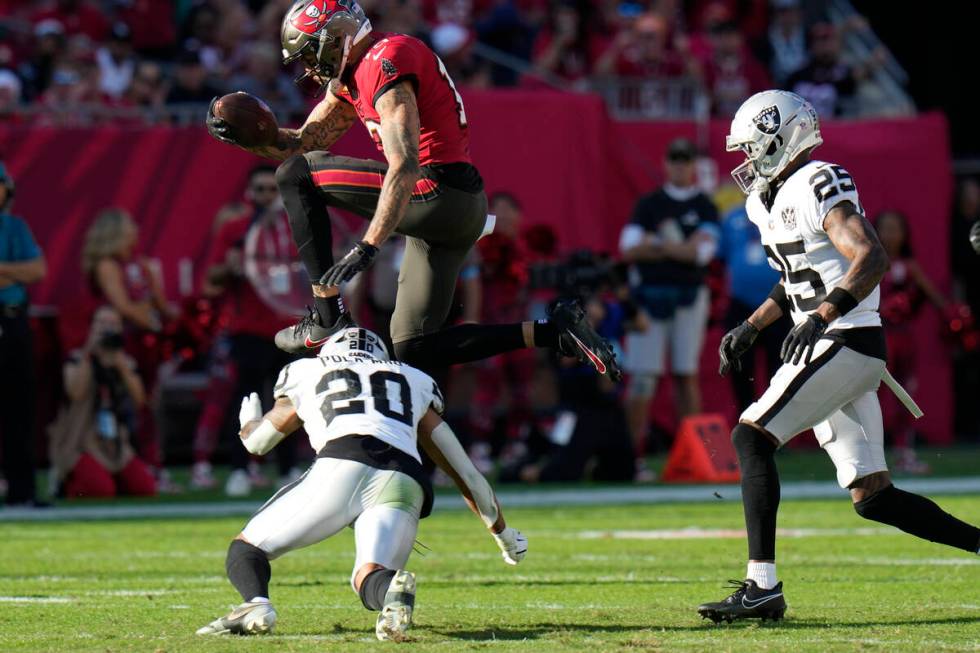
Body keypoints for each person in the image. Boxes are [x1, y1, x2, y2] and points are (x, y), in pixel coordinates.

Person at [206, 0, 619, 382]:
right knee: (413, 347)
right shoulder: (356, 74)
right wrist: (242, 137)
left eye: (313, 53)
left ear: (337, 38)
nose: (310, 69)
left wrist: (367, 247)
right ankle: (555, 331)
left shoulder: (386, 58)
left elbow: (404, 164)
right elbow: (298, 143)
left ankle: (326, 312)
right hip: (455, 208)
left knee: (297, 175)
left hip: (438, 192)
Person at [700, 90, 980, 623]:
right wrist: (752, 325)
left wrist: (822, 316)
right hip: (833, 339)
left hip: (846, 338)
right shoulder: (765, 200)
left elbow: (870, 255)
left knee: (749, 435)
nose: (745, 161)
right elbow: (795, 278)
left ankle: (762, 586)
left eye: (753, 148)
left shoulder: (817, 181)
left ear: (781, 140)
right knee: (873, 495)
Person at [196, 327, 527, 640]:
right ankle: (391, 593)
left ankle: (256, 603)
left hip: (341, 466)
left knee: (247, 548)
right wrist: (503, 534)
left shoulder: (307, 371)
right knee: (369, 575)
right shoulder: (411, 379)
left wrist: (249, 423)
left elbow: (258, 444)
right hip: (404, 479)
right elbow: (465, 472)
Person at [194, 165, 301, 495]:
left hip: (289, 329)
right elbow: (209, 282)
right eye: (260, 190)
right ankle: (240, 468)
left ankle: (288, 468)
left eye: (272, 190)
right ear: (249, 193)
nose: (266, 197)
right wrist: (230, 268)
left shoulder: (296, 228)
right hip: (248, 327)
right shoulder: (235, 229)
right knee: (247, 400)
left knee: (290, 401)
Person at [619, 137, 719, 473]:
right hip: (649, 298)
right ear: (665, 162)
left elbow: (701, 254)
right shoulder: (648, 204)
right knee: (644, 377)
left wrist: (656, 243)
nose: (680, 164)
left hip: (689, 298)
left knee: (684, 374)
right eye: (674, 158)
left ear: (693, 165)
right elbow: (629, 249)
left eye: (685, 159)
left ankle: (696, 458)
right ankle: (633, 457)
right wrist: (678, 246)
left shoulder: (705, 205)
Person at [47, 305, 157, 498]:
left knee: (145, 487)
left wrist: (120, 362)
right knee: (101, 490)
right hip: (80, 441)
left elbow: (140, 400)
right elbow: (76, 392)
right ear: (91, 328)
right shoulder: (76, 359)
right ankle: (64, 484)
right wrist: (90, 351)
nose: (107, 328)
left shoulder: (124, 362)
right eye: (101, 323)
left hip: (114, 443)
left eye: (113, 324)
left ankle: (111, 478)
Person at [875, 210, 948, 473]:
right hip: (877, 339)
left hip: (903, 337)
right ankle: (870, 455)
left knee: (905, 396)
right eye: (885, 228)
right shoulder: (868, 263)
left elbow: (938, 301)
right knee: (873, 397)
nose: (891, 235)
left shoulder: (910, 266)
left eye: (896, 228)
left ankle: (904, 453)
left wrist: (954, 317)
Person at [0, 161, 46, 507]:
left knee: (19, 408)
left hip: (12, 321)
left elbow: (37, 269)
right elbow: (26, 270)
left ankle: (23, 490)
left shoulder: (13, 227)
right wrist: (15, 273)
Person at [717, 201, 791, 413]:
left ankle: (775, 424)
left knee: (780, 368)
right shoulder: (732, 218)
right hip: (740, 303)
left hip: (780, 303)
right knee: (740, 365)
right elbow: (719, 258)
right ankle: (747, 420)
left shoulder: (784, 213)